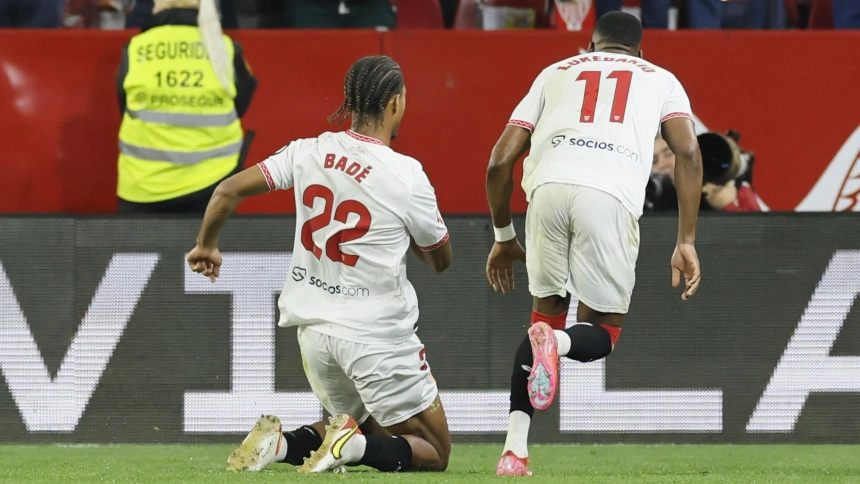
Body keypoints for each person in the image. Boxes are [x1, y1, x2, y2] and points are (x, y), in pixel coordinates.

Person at [187, 55, 453, 474]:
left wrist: (207, 245)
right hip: (375, 337)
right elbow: (440, 259)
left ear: (350, 101)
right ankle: (354, 451)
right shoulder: (406, 175)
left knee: (363, 424)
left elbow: (227, 190)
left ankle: (278, 444)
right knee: (434, 450)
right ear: (396, 104)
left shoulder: (307, 152)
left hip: (315, 336)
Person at [484, 12, 703, 476]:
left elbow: (499, 161)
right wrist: (686, 239)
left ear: (589, 45)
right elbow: (686, 152)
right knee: (603, 332)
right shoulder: (661, 78)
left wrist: (504, 236)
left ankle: (514, 451)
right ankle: (558, 343)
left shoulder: (554, 72)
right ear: (640, 53)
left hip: (546, 191)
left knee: (542, 314)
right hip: (608, 195)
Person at [116, 0, 257, 213]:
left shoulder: (136, 48)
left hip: (143, 188)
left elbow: (124, 106)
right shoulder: (226, 48)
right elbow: (240, 106)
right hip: (215, 185)